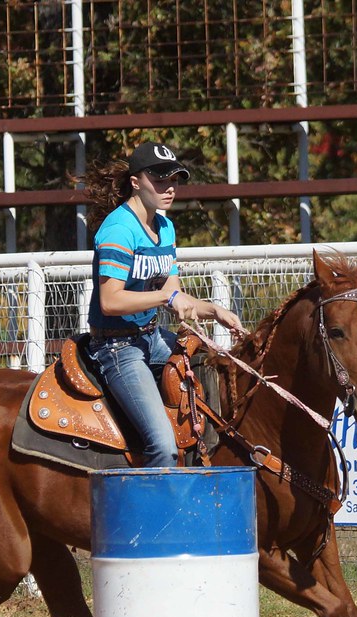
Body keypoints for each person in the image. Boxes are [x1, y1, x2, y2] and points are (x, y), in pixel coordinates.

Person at [82, 141, 245, 467]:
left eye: (174, 180)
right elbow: (110, 301)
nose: (169, 188)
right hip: (116, 348)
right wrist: (166, 298)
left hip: (152, 338)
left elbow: (174, 293)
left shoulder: (165, 227)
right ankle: (155, 497)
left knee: (215, 375)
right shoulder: (119, 229)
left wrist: (215, 310)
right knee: (163, 446)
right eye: (159, 180)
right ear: (135, 182)